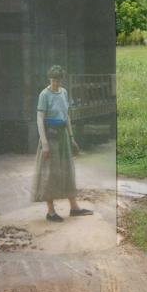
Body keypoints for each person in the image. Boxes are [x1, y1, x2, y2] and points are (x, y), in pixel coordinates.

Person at [30, 65, 93, 221]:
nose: (55, 83)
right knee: (50, 172)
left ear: (62, 80)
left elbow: (66, 117)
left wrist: (71, 138)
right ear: (49, 79)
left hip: (63, 135)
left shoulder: (64, 92)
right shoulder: (44, 94)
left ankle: (74, 207)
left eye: (58, 81)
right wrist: (44, 143)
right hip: (49, 136)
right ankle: (50, 211)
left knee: (67, 169)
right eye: (53, 80)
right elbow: (39, 119)